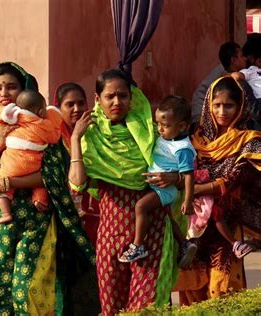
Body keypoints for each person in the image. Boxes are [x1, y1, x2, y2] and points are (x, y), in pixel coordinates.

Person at [0, 62, 94, 315]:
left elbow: (54, 175)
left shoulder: (43, 125)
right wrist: (1, 143)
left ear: (24, 90)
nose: (4, 94)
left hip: (36, 217)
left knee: (30, 289)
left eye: (11, 87)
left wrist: (9, 182)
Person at [69, 69, 178, 314]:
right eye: (110, 97)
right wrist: (76, 138)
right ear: (98, 99)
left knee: (146, 308)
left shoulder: (152, 133)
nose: (117, 102)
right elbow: (77, 184)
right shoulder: (90, 138)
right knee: (112, 308)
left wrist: (174, 177)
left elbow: (182, 170)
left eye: (123, 96)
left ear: (132, 98)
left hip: (152, 233)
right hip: (110, 235)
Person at [175, 76, 261, 304]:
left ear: (240, 106)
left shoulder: (250, 142)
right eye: (217, 105)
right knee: (193, 287)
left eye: (229, 105)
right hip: (196, 227)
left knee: (221, 289)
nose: (222, 111)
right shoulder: (196, 139)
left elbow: (230, 180)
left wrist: (190, 188)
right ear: (208, 105)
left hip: (228, 227)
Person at [118, 96, 198, 266]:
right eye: (158, 124)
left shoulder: (183, 149)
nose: (160, 129)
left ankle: (138, 245)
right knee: (166, 216)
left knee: (140, 207)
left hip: (165, 188)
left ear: (182, 126)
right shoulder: (168, 137)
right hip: (157, 186)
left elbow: (190, 176)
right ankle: (184, 243)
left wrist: (188, 200)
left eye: (166, 125)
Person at [0, 90, 62, 223]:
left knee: (1, 186)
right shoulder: (43, 124)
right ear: (41, 111)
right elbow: (53, 138)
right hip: (33, 164)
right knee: (40, 183)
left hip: (12, 164)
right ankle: (40, 200)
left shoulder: (14, 118)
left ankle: (6, 213)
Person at [55, 82, 99, 246]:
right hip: (65, 216)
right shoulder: (53, 139)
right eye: (69, 104)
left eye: (81, 103)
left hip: (96, 213)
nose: (77, 109)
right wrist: (75, 137)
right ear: (58, 107)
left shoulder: (97, 132)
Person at [191, 42, 246, 123]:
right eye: (242, 56)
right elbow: (201, 94)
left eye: (228, 106)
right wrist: (199, 119)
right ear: (234, 60)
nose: (245, 59)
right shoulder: (219, 75)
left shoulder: (243, 76)